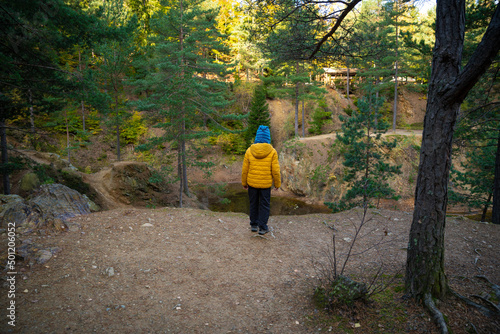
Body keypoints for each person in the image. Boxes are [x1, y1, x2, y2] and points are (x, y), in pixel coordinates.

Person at [241, 125, 281, 235]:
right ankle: (263, 227)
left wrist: (244, 183)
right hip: (265, 185)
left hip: (252, 183)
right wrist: (277, 184)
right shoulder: (272, 151)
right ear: (268, 138)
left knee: (253, 203)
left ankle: (253, 225)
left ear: (257, 137)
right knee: (264, 204)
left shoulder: (249, 150)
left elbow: (245, 169)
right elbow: (276, 171)